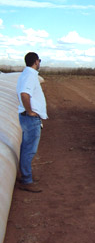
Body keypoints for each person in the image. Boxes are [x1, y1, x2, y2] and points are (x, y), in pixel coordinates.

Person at [16, 52, 48, 193]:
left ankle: (24, 175)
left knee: (26, 148)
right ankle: (26, 180)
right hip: (30, 118)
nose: (39, 63)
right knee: (29, 150)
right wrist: (30, 111)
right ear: (36, 61)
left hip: (28, 118)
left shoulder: (26, 74)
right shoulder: (29, 76)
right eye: (39, 61)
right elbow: (24, 94)